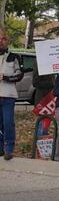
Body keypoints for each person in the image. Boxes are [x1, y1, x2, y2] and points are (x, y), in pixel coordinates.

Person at [0, 30, 24, 160]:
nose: (1, 41)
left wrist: (6, 77)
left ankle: (9, 148)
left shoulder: (14, 57)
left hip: (8, 95)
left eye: (3, 38)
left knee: (8, 122)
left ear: (7, 41)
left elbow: (19, 75)